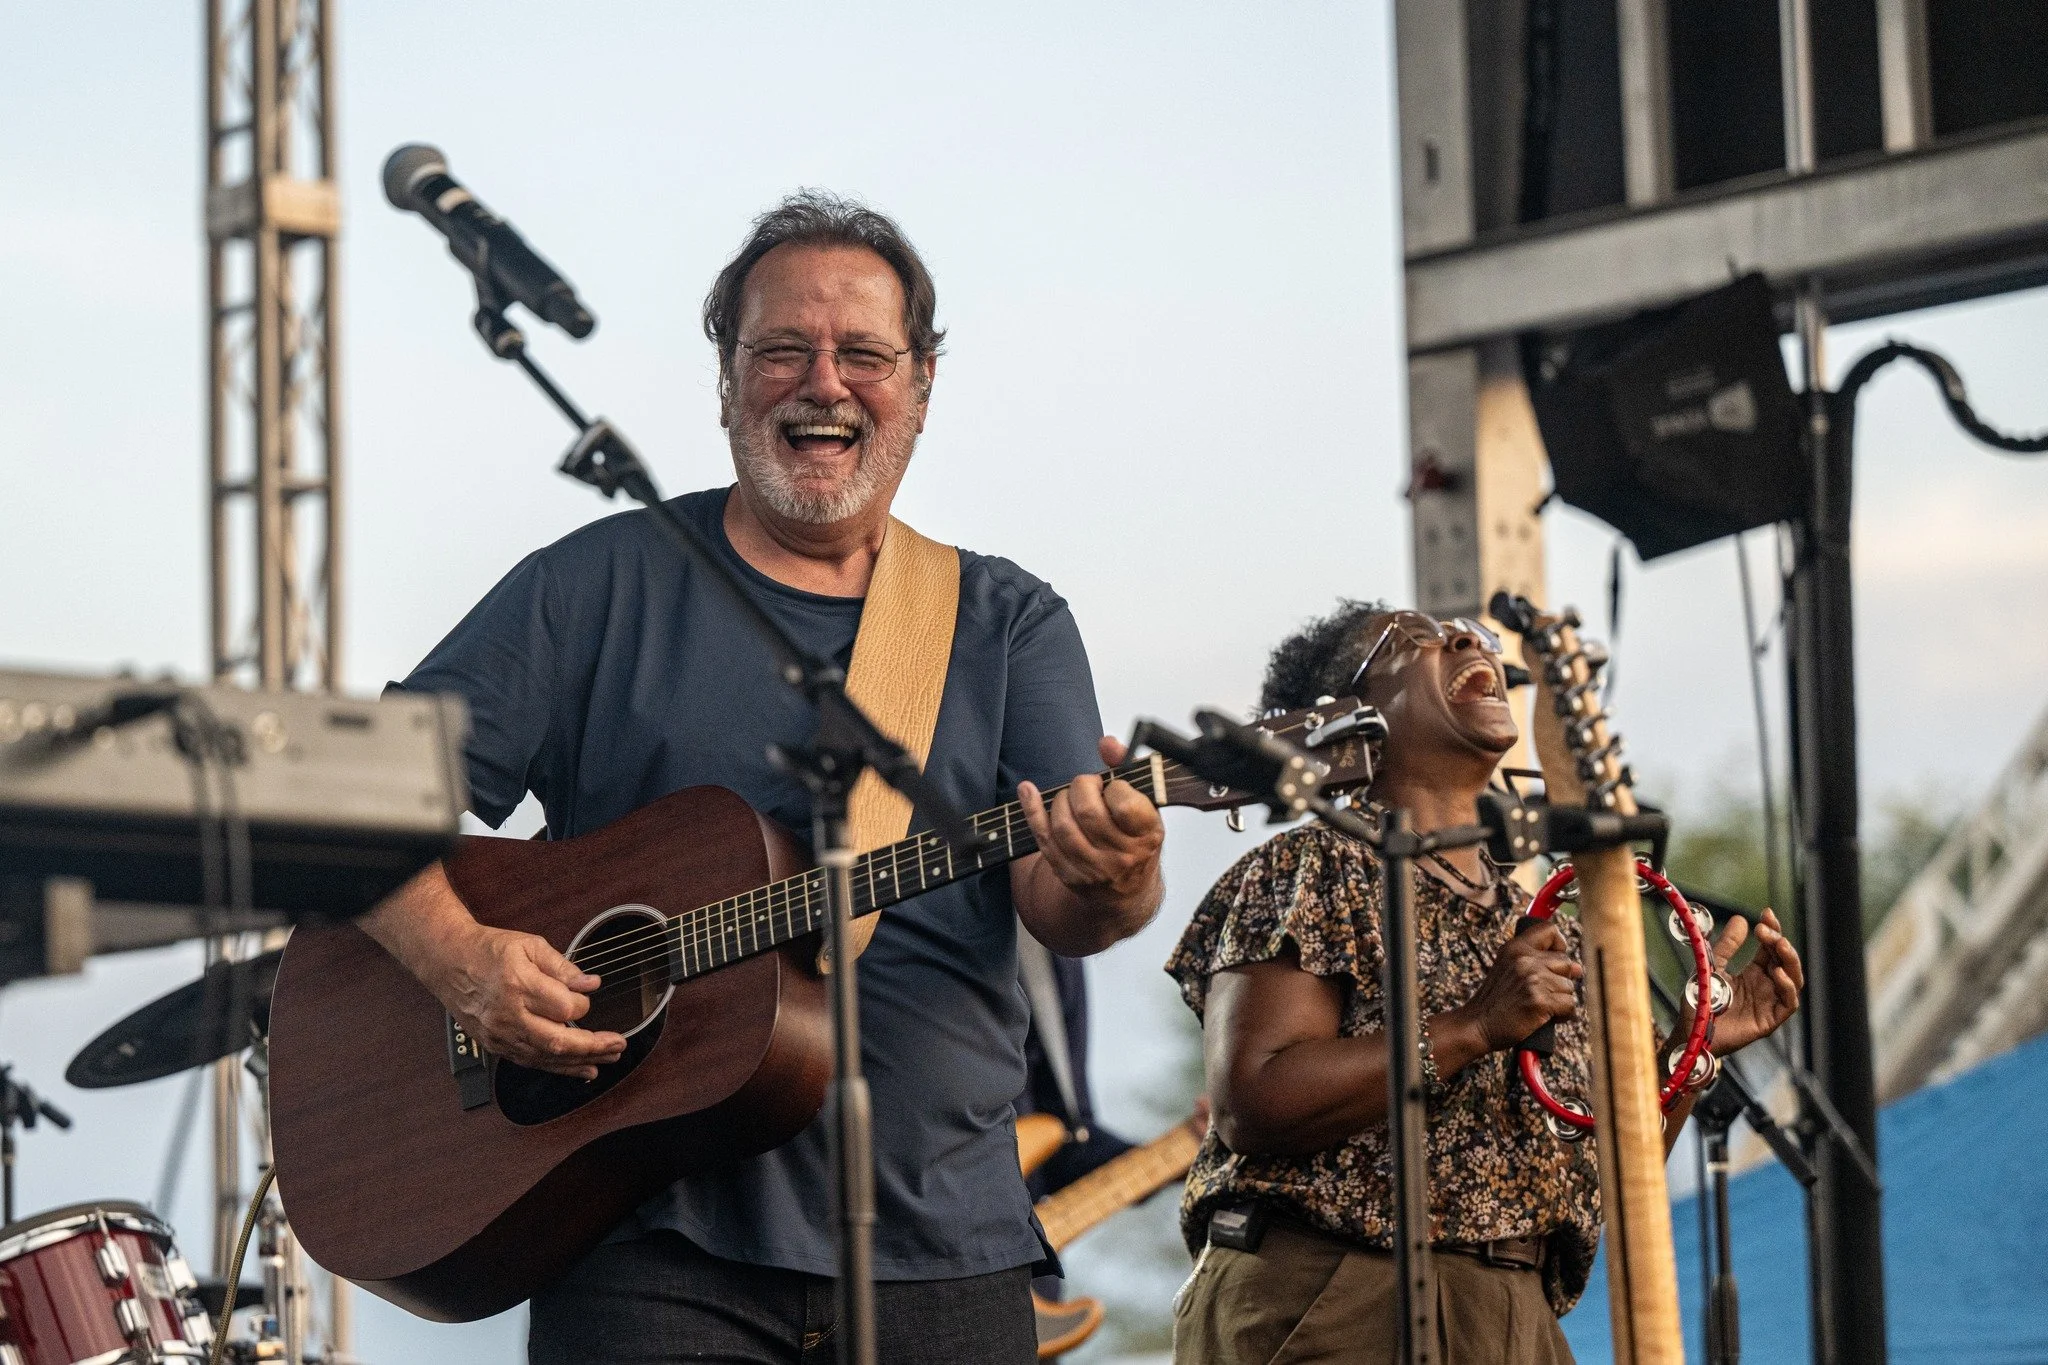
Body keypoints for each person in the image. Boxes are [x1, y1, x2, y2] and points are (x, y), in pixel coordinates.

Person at [362, 191, 1166, 1365]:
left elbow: (1069, 908)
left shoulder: (1004, 623)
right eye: (782, 349)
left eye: (863, 355)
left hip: (944, 1249)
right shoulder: (595, 586)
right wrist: (459, 958)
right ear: (727, 380)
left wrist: (1115, 870)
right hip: (642, 1246)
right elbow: (352, 798)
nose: (822, 383)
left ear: (922, 386)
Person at [1166, 602, 1802, 1364]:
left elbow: (1598, 1177)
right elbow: (1254, 1098)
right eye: (1414, 639)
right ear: (1343, 719)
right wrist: (1472, 1026)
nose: (1468, 638)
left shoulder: (1548, 924)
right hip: (1335, 1299)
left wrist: (1692, 1050)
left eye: (1477, 637)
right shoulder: (1313, 866)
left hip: (1514, 1315)